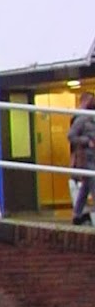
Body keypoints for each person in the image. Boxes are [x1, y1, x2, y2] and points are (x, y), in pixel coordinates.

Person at [68, 91, 95, 225]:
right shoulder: (82, 119)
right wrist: (87, 141)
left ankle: (77, 214)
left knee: (86, 187)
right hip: (87, 157)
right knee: (93, 182)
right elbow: (71, 136)